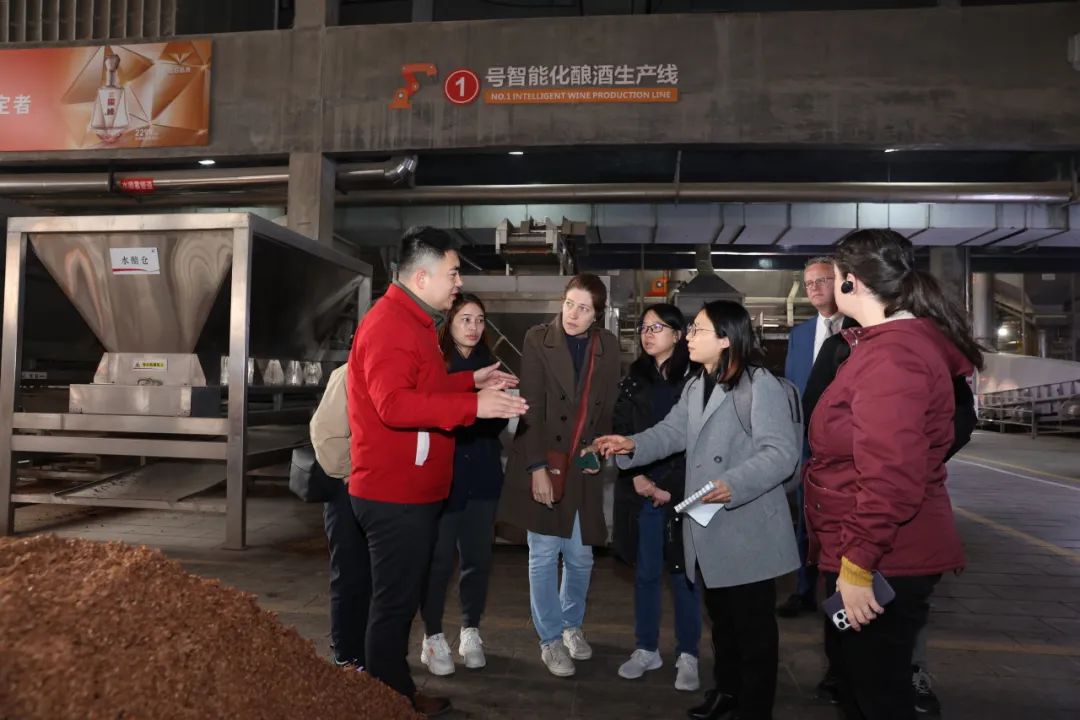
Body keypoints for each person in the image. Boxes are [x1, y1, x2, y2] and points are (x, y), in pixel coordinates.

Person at [347, 227, 527, 717]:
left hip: (413, 490)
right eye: (453, 273)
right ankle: (388, 701)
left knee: (400, 601)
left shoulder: (417, 321)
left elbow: (423, 387)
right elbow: (394, 405)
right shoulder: (390, 325)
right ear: (422, 277)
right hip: (393, 494)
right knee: (393, 606)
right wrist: (474, 406)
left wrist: (470, 381)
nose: (459, 282)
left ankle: (395, 691)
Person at [804, 229, 982, 720]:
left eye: (834, 276)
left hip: (883, 557)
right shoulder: (883, 346)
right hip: (871, 549)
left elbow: (891, 477)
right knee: (859, 686)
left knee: (876, 697)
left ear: (851, 282)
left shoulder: (893, 356)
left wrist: (858, 565)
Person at [594, 300, 802, 720]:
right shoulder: (697, 383)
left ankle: (754, 708)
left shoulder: (759, 384)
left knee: (754, 630)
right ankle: (727, 692)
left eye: (698, 330)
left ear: (725, 339)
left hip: (747, 526)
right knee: (722, 621)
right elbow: (672, 432)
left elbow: (781, 453)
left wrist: (733, 484)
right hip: (710, 525)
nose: (688, 337)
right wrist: (632, 444)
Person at [497, 273, 621, 678]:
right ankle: (550, 639)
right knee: (544, 554)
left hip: (581, 465)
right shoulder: (539, 339)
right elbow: (530, 407)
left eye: (584, 308)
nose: (573, 314)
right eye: (569, 304)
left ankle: (571, 626)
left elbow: (608, 406)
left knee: (581, 556)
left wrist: (598, 448)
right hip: (545, 458)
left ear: (597, 315)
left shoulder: (608, 347)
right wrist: (536, 468)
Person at [610, 304, 702, 692]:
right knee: (646, 573)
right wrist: (638, 478)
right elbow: (620, 428)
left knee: (684, 576)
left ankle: (688, 654)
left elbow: (699, 441)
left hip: (684, 493)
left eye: (657, 328)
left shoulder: (697, 380)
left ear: (678, 334)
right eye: (644, 328)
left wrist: (672, 488)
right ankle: (646, 648)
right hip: (643, 491)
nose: (647, 334)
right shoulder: (634, 379)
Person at [420, 294, 508, 676]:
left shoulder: (492, 365)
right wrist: (474, 406)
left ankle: (470, 629)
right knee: (439, 561)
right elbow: (434, 413)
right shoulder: (436, 364)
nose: (473, 327)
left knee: (477, 560)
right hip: (445, 478)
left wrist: (487, 408)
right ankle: (432, 635)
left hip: (483, 476)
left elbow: (497, 421)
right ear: (449, 323)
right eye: (465, 319)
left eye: (479, 320)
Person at [778, 257, 844, 619]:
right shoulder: (800, 335)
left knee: (842, 521)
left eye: (823, 280)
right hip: (806, 442)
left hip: (846, 444)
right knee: (805, 517)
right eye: (809, 283)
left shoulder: (859, 329)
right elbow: (792, 390)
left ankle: (841, 594)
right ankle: (803, 590)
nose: (815, 288)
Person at [309, 363, 368, 671]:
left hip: (376, 490)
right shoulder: (348, 373)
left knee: (373, 576)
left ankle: (367, 648)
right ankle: (346, 652)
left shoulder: (395, 369)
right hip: (347, 489)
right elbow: (325, 432)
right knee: (350, 572)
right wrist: (348, 474)